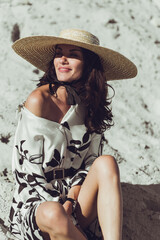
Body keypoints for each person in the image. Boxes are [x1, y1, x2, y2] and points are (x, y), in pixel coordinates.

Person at [9, 28, 137, 240]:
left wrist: (71, 198)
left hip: (74, 201)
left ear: (88, 64)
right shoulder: (38, 101)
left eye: (73, 55)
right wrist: (61, 207)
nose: (63, 60)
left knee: (107, 163)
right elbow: (26, 175)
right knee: (54, 212)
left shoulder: (89, 106)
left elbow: (91, 162)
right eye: (59, 53)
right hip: (37, 207)